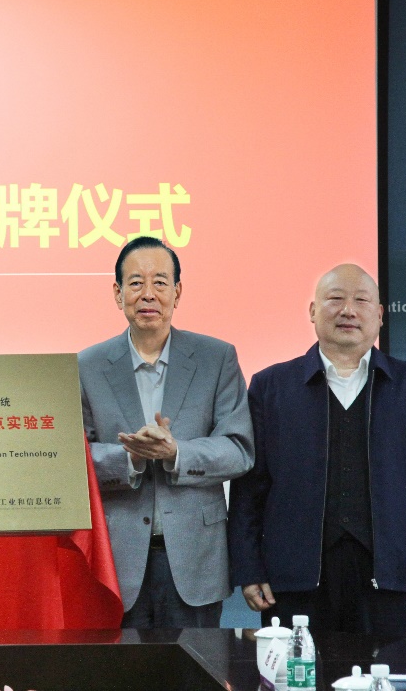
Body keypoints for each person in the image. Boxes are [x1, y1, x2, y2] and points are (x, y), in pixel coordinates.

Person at [228, 264, 406, 638]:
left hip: (387, 578)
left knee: (386, 669)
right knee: (297, 671)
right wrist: (249, 567)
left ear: (379, 314)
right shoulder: (271, 387)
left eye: (361, 301)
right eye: (335, 299)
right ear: (312, 311)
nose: (348, 310)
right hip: (292, 579)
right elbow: (248, 490)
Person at [80, 236, 254, 628]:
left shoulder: (217, 358)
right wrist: (130, 457)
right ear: (118, 293)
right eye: (135, 283)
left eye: (160, 282)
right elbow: (75, 458)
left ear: (177, 292)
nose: (148, 294)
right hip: (117, 560)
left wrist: (176, 453)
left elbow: (239, 449)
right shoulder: (87, 365)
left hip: (197, 557)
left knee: (194, 664)